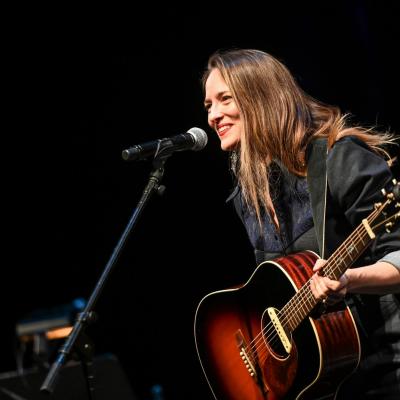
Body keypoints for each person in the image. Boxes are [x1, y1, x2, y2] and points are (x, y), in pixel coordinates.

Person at [202, 48, 400, 399]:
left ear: (260, 96)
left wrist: (350, 279)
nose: (213, 115)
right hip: (328, 379)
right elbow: (272, 292)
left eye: (225, 99)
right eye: (208, 106)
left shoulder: (339, 158)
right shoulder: (249, 196)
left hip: (386, 363)